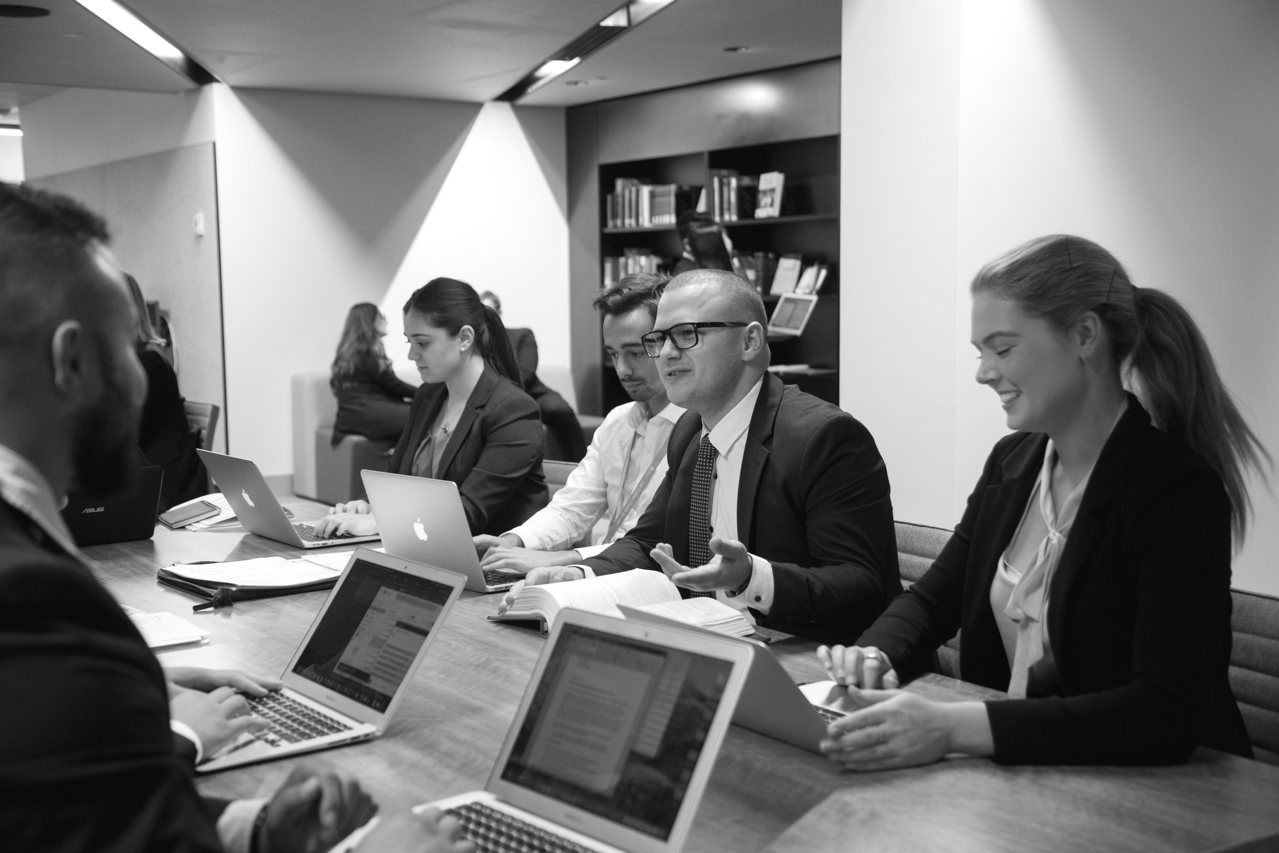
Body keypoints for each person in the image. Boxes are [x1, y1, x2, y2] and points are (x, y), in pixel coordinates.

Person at [0, 181, 473, 851]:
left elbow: (58, 810)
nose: (142, 378)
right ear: (71, 360)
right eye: (132, 349)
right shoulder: (29, 596)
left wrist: (249, 827)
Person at [817, 235, 1267, 769]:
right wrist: (873, 654)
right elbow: (933, 602)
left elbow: (1163, 711)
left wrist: (953, 726)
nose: (984, 372)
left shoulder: (1175, 489)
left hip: (1170, 793)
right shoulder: (1012, 461)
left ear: (1084, 336)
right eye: (980, 352)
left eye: (1003, 348)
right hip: (1035, 770)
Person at [503, 269, 901, 644]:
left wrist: (752, 577)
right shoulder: (691, 431)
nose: (665, 354)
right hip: (704, 642)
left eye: (686, 334)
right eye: (658, 339)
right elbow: (647, 541)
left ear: (750, 342)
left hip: (808, 655)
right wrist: (575, 573)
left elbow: (864, 587)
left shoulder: (823, 437)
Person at [474, 274, 684, 573]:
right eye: (613, 354)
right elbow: (572, 509)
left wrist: (566, 559)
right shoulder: (618, 422)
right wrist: (513, 541)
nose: (622, 369)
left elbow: (654, 546)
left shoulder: (699, 430)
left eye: (635, 353)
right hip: (600, 575)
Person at [316, 278, 547, 539]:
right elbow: (394, 477)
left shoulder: (513, 410)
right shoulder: (429, 396)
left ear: (464, 338)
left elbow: (469, 513)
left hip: (488, 557)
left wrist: (380, 523)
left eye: (423, 343)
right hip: (422, 547)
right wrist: (366, 506)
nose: (412, 355)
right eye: (409, 342)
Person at [125, 273, 210, 511]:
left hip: (167, 477)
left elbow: (122, 427)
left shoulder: (148, 361)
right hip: (150, 465)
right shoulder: (133, 359)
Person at [480, 290, 588, 462]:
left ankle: (580, 462)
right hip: (495, 399)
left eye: (490, 312)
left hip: (533, 393)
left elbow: (526, 372)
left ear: (499, 313)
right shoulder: (476, 343)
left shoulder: (522, 335)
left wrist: (504, 396)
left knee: (558, 409)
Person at [330, 302, 418, 445]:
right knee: (423, 415)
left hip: (351, 417)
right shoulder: (366, 351)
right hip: (367, 414)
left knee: (419, 410)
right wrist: (425, 393)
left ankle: (398, 453)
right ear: (369, 321)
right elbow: (394, 385)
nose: (386, 321)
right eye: (381, 317)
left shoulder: (349, 351)